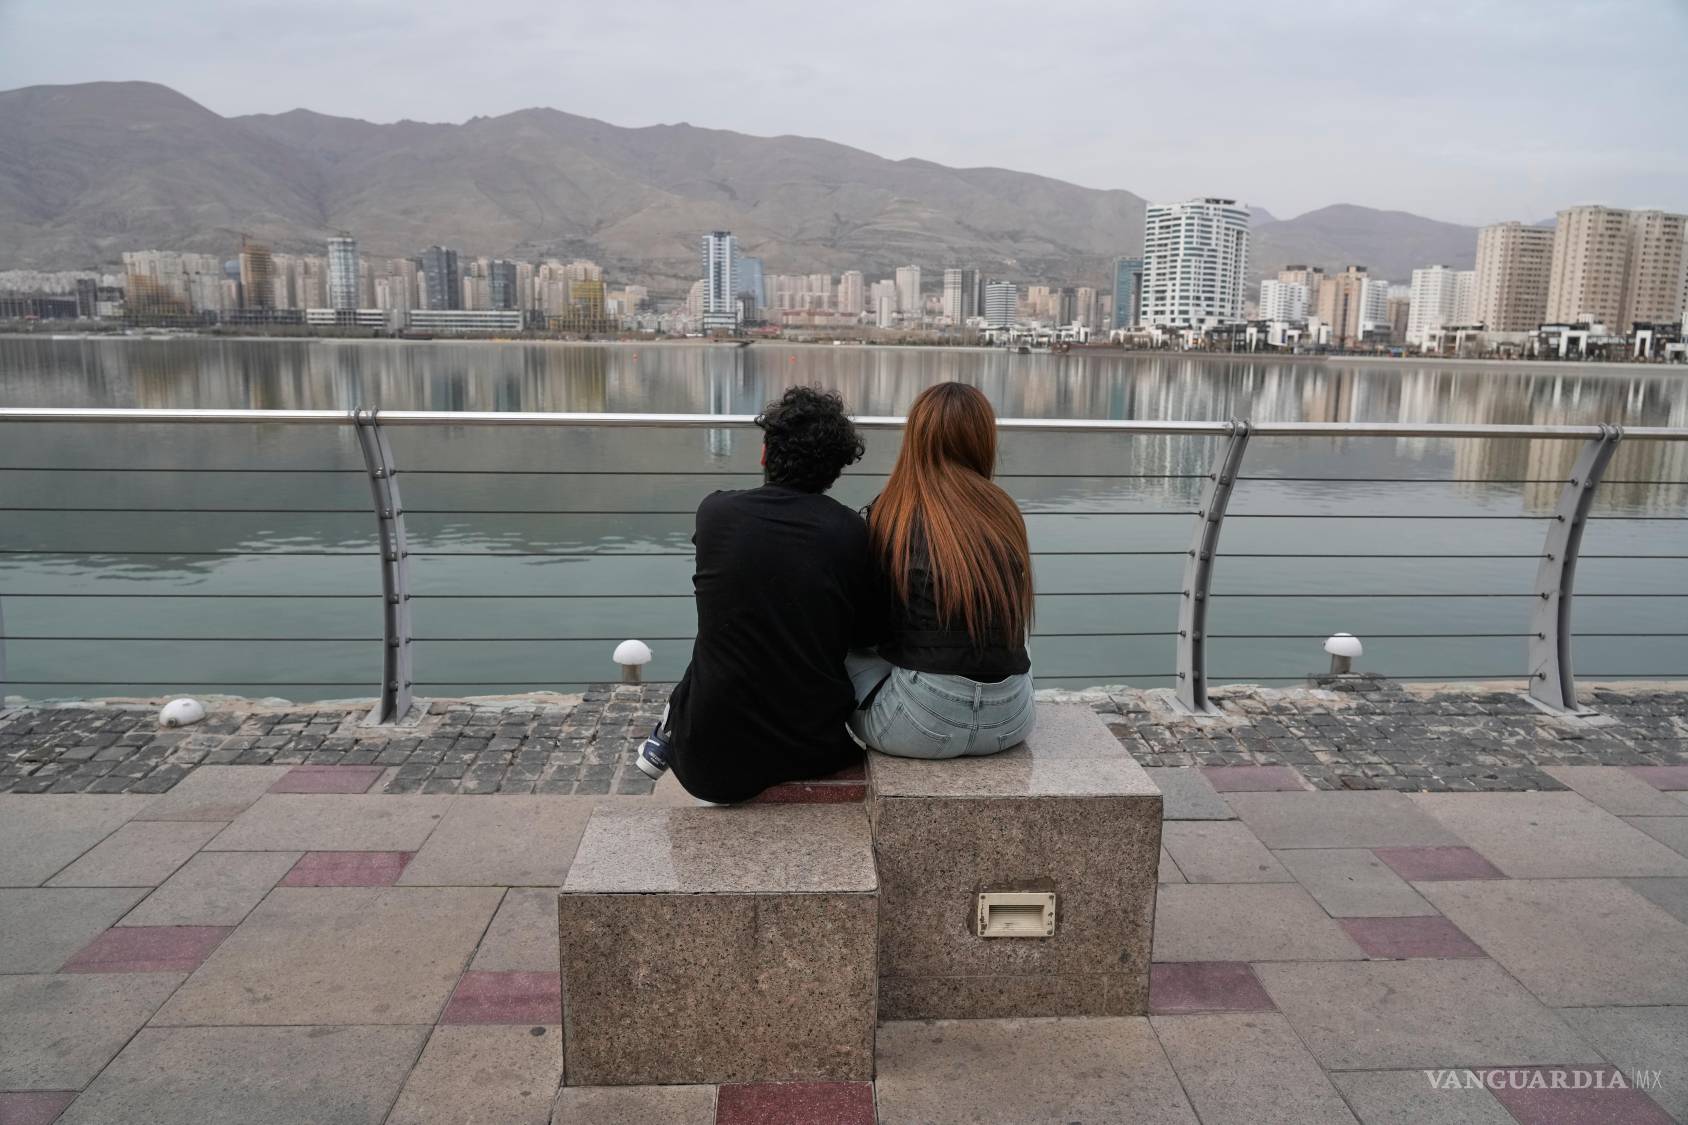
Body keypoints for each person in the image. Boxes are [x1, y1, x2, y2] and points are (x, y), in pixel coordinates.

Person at [635, 386, 881, 803]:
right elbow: (867, 634)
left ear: (765, 454)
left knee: (734, 619)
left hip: (707, 764)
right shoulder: (851, 532)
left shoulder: (715, 514)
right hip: (813, 750)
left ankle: (670, 725)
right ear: (835, 470)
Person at [848, 382, 1036, 757]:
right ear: (983, 439)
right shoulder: (1005, 510)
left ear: (917, 438)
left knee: (842, 644)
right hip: (1012, 722)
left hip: (916, 725)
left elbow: (867, 628)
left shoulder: (891, 512)